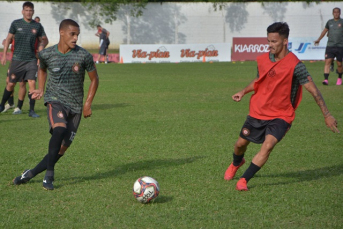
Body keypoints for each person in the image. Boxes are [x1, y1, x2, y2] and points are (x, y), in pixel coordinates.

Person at [224, 22, 340, 191]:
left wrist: (327, 114)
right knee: (240, 144)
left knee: (268, 145)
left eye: (274, 42)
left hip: (281, 115)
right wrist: (243, 91)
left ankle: (244, 180)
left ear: (285, 41)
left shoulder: (296, 65)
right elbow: (259, 81)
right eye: (269, 41)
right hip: (258, 110)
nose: (270, 45)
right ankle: (236, 163)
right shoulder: (263, 60)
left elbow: (313, 90)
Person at [12, 19, 99, 191]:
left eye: (77, 35)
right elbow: (42, 69)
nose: (75, 38)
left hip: (76, 107)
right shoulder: (47, 54)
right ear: (62, 33)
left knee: (61, 149)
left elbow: (94, 79)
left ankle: (30, 173)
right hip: (55, 100)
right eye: (72, 34)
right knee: (59, 129)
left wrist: (87, 104)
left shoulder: (83, 56)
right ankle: (49, 175)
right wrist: (41, 89)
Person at [0, 1, 48, 117]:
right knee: (10, 84)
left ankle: (31, 110)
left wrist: (41, 47)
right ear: (22, 11)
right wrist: (4, 54)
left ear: (33, 11)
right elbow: (8, 39)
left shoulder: (37, 26)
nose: (28, 12)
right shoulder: (16, 24)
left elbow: (45, 39)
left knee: (32, 83)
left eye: (30, 10)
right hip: (17, 59)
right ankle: (1, 105)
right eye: (26, 10)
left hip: (31, 60)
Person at [314, 7, 343, 86]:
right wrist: (318, 39)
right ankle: (326, 79)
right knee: (327, 62)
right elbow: (324, 31)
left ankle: (339, 78)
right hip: (330, 46)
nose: (336, 13)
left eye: (337, 12)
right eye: (335, 12)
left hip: (340, 46)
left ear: (340, 13)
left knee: (339, 64)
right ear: (333, 13)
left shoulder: (342, 22)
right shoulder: (329, 22)